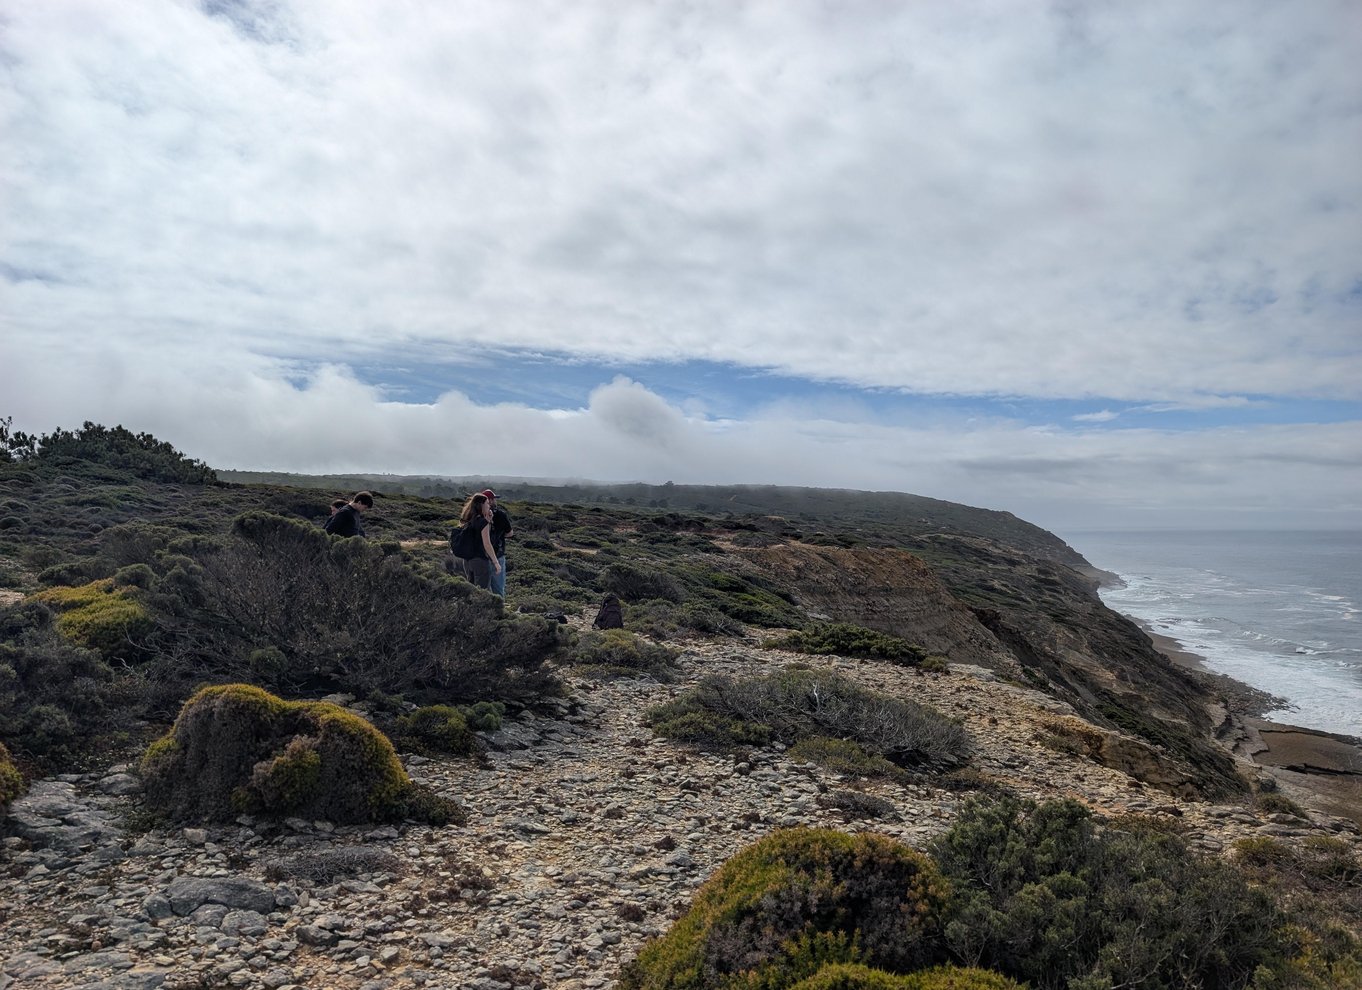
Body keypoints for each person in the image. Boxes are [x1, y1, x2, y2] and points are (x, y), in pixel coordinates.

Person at [451, 492, 501, 590]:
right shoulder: (482, 522)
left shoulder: (467, 520)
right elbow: (487, 543)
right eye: (487, 503)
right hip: (480, 561)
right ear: (481, 505)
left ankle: (470, 606)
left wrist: (489, 520)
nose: (489, 505)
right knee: (482, 592)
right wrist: (496, 562)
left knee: (472, 590)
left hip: (467, 561)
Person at [482, 488, 513, 598]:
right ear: (490, 501)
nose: (496, 501)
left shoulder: (477, 515)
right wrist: (500, 535)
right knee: (498, 589)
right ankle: (499, 611)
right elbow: (510, 533)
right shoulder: (501, 515)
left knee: (481, 589)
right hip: (497, 554)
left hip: (479, 557)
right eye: (494, 499)